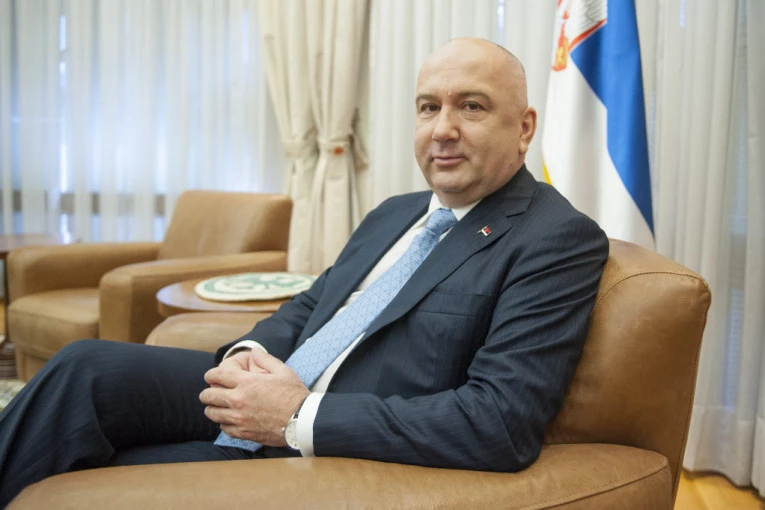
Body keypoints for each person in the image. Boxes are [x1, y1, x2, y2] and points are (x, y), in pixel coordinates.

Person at [0, 37, 608, 506]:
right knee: (86, 367)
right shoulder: (395, 213)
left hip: (327, 441)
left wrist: (293, 415)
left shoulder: (556, 239)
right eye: (429, 107)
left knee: (82, 472)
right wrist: (248, 355)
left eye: (471, 106)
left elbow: (498, 423)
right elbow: (311, 306)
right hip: (267, 393)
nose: (442, 128)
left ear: (524, 128)